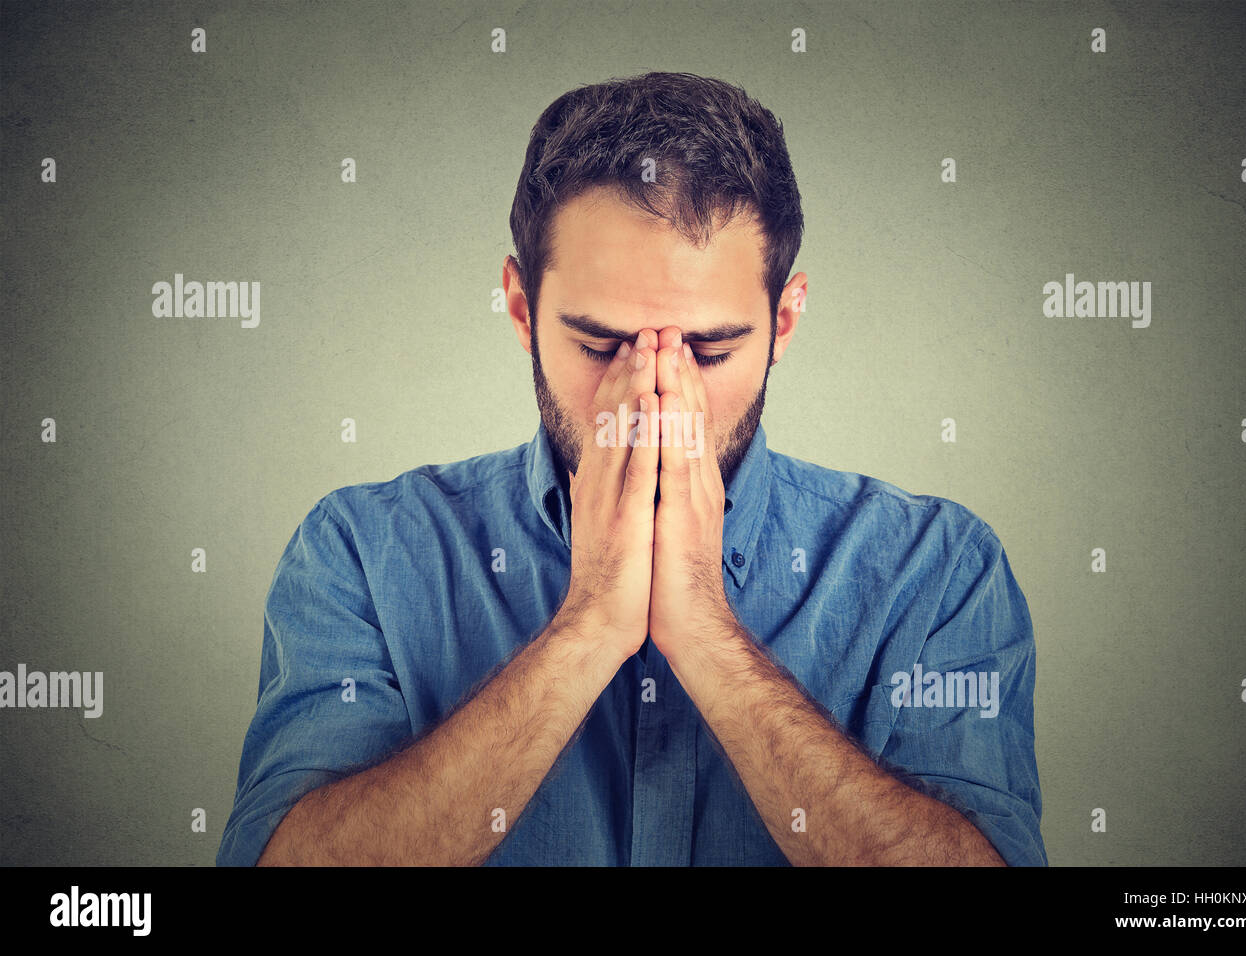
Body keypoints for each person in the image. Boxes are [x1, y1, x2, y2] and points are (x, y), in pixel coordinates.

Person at [217, 71, 1046, 866]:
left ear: (783, 322)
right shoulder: (360, 551)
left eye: (711, 350)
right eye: (600, 345)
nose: (650, 399)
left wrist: (705, 635)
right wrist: (588, 629)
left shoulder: (939, 571)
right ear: (520, 309)